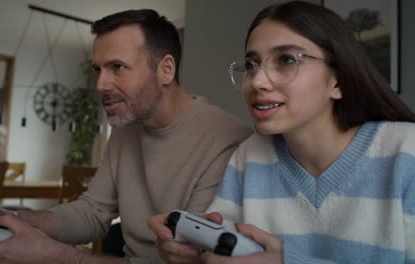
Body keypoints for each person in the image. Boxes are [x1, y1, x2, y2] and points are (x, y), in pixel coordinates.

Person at [0, 9, 252, 264]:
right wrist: (23, 221)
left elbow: (189, 260)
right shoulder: (126, 127)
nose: (100, 84)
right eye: (97, 69)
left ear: (165, 69)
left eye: (117, 67)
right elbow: (93, 211)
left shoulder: (228, 142)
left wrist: (52, 256)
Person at [149, 1, 415, 263]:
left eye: (287, 59)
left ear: (339, 81)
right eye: (251, 65)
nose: (257, 82)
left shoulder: (407, 151)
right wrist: (192, 253)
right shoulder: (249, 155)